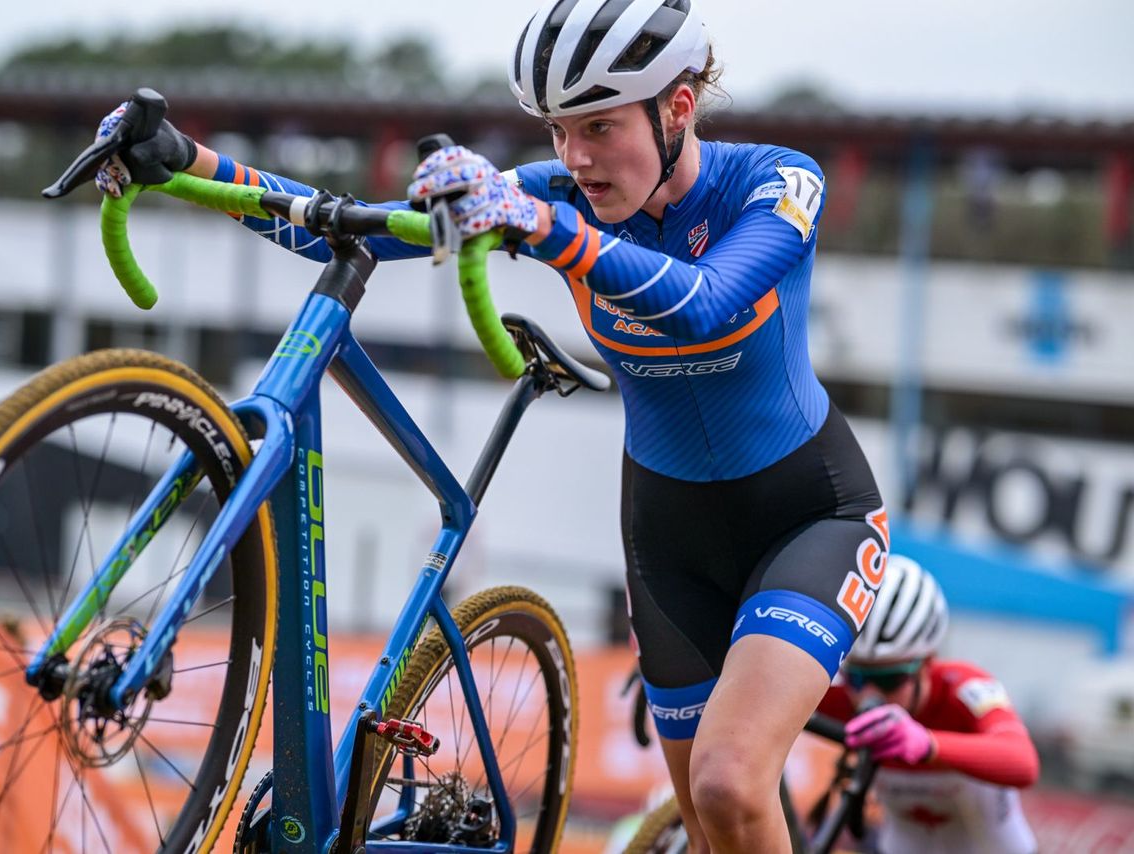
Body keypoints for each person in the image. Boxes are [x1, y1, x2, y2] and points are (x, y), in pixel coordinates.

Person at [95, 1, 890, 850]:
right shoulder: (559, 195)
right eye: (557, 131)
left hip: (807, 516)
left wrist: (543, 227)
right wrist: (187, 162)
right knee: (707, 826)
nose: (575, 157)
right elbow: (350, 229)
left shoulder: (776, 181)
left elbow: (707, 303)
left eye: (599, 126)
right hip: (670, 537)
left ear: (678, 109)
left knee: (729, 783)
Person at [819, 555, 1039, 854]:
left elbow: (1024, 763)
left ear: (927, 663)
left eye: (889, 679)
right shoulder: (839, 695)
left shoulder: (962, 687)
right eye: (856, 677)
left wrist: (928, 744)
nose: (868, 696)